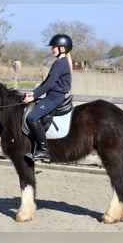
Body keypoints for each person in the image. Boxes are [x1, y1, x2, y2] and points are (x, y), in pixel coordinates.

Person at [23, 33, 73, 163]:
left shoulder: (60, 64)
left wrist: (34, 95)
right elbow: (47, 82)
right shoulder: (61, 62)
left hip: (54, 98)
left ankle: (43, 150)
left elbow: (49, 84)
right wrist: (33, 93)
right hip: (53, 96)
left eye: (54, 47)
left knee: (32, 118)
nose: (52, 50)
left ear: (62, 48)